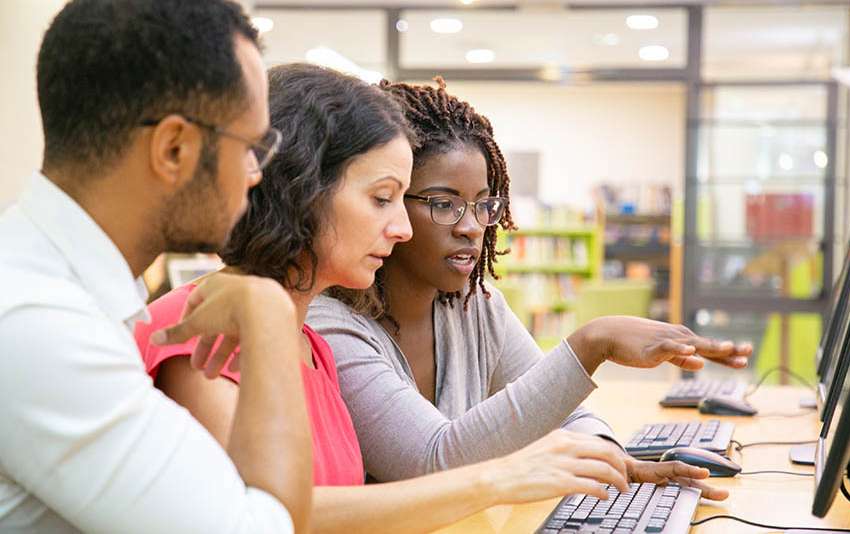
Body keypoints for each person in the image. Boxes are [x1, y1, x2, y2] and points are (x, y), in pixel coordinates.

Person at [134, 63, 726, 534]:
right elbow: (277, 518)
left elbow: (333, 506)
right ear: (303, 191)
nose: (401, 229)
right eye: (384, 198)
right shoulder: (209, 330)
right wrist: (503, 477)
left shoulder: (303, 338)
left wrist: (583, 462)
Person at [310, 78, 752, 484]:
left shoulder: (475, 307)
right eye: (444, 204)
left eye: (484, 204)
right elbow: (431, 460)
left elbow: (566, 415)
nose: (471, 227)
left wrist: (611, 459)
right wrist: (590, 345)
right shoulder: (328, 324)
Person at [0, 1, 314, 532]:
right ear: (173, 149)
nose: (255, 175)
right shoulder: (39, 321)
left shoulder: (56, 284)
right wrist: (268, 315)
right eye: (251, 148)